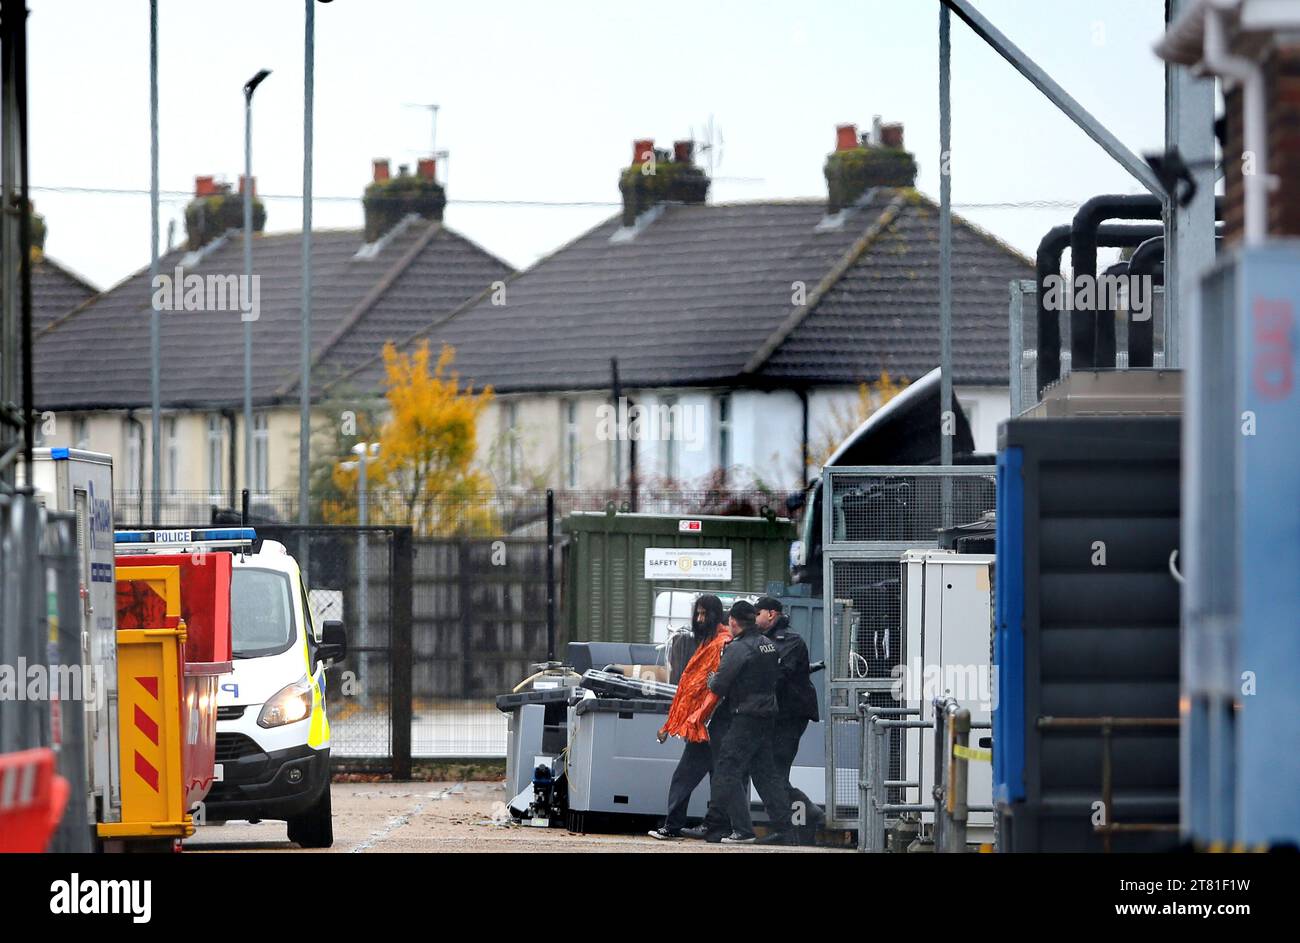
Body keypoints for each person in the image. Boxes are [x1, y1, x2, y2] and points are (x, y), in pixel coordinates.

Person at [704, 599, 793, 845]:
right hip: (766, 716)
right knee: (766, 775)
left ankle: (722, 829)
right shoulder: (768, 644)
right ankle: (786, 831)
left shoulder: (738, 648)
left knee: (726, 769)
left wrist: (711, 679)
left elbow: (720, 685)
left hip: (745, 716)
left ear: (733, 621)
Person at [647, 595, 734, 840]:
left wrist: (693, 719)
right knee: (718, 778)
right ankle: (719, 827)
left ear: (716, 615)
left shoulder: (720, 644)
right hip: (708, 724)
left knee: (685, 777)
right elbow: (692, 688)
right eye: (697, 614)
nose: (699, 619)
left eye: (704, 614)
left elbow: (710, 690)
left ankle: (674, 826)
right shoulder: (710, 642)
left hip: (705, 725)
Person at [755, 596, 825, 838]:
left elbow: (777, 672)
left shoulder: (789, 640)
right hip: (777, 715)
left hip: (791, 715)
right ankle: (804, 816)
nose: (755, 618)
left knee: (776, 770)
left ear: (771, 614)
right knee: (771, 772)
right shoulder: (766, 639)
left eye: (758, 613)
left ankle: (791, 825)